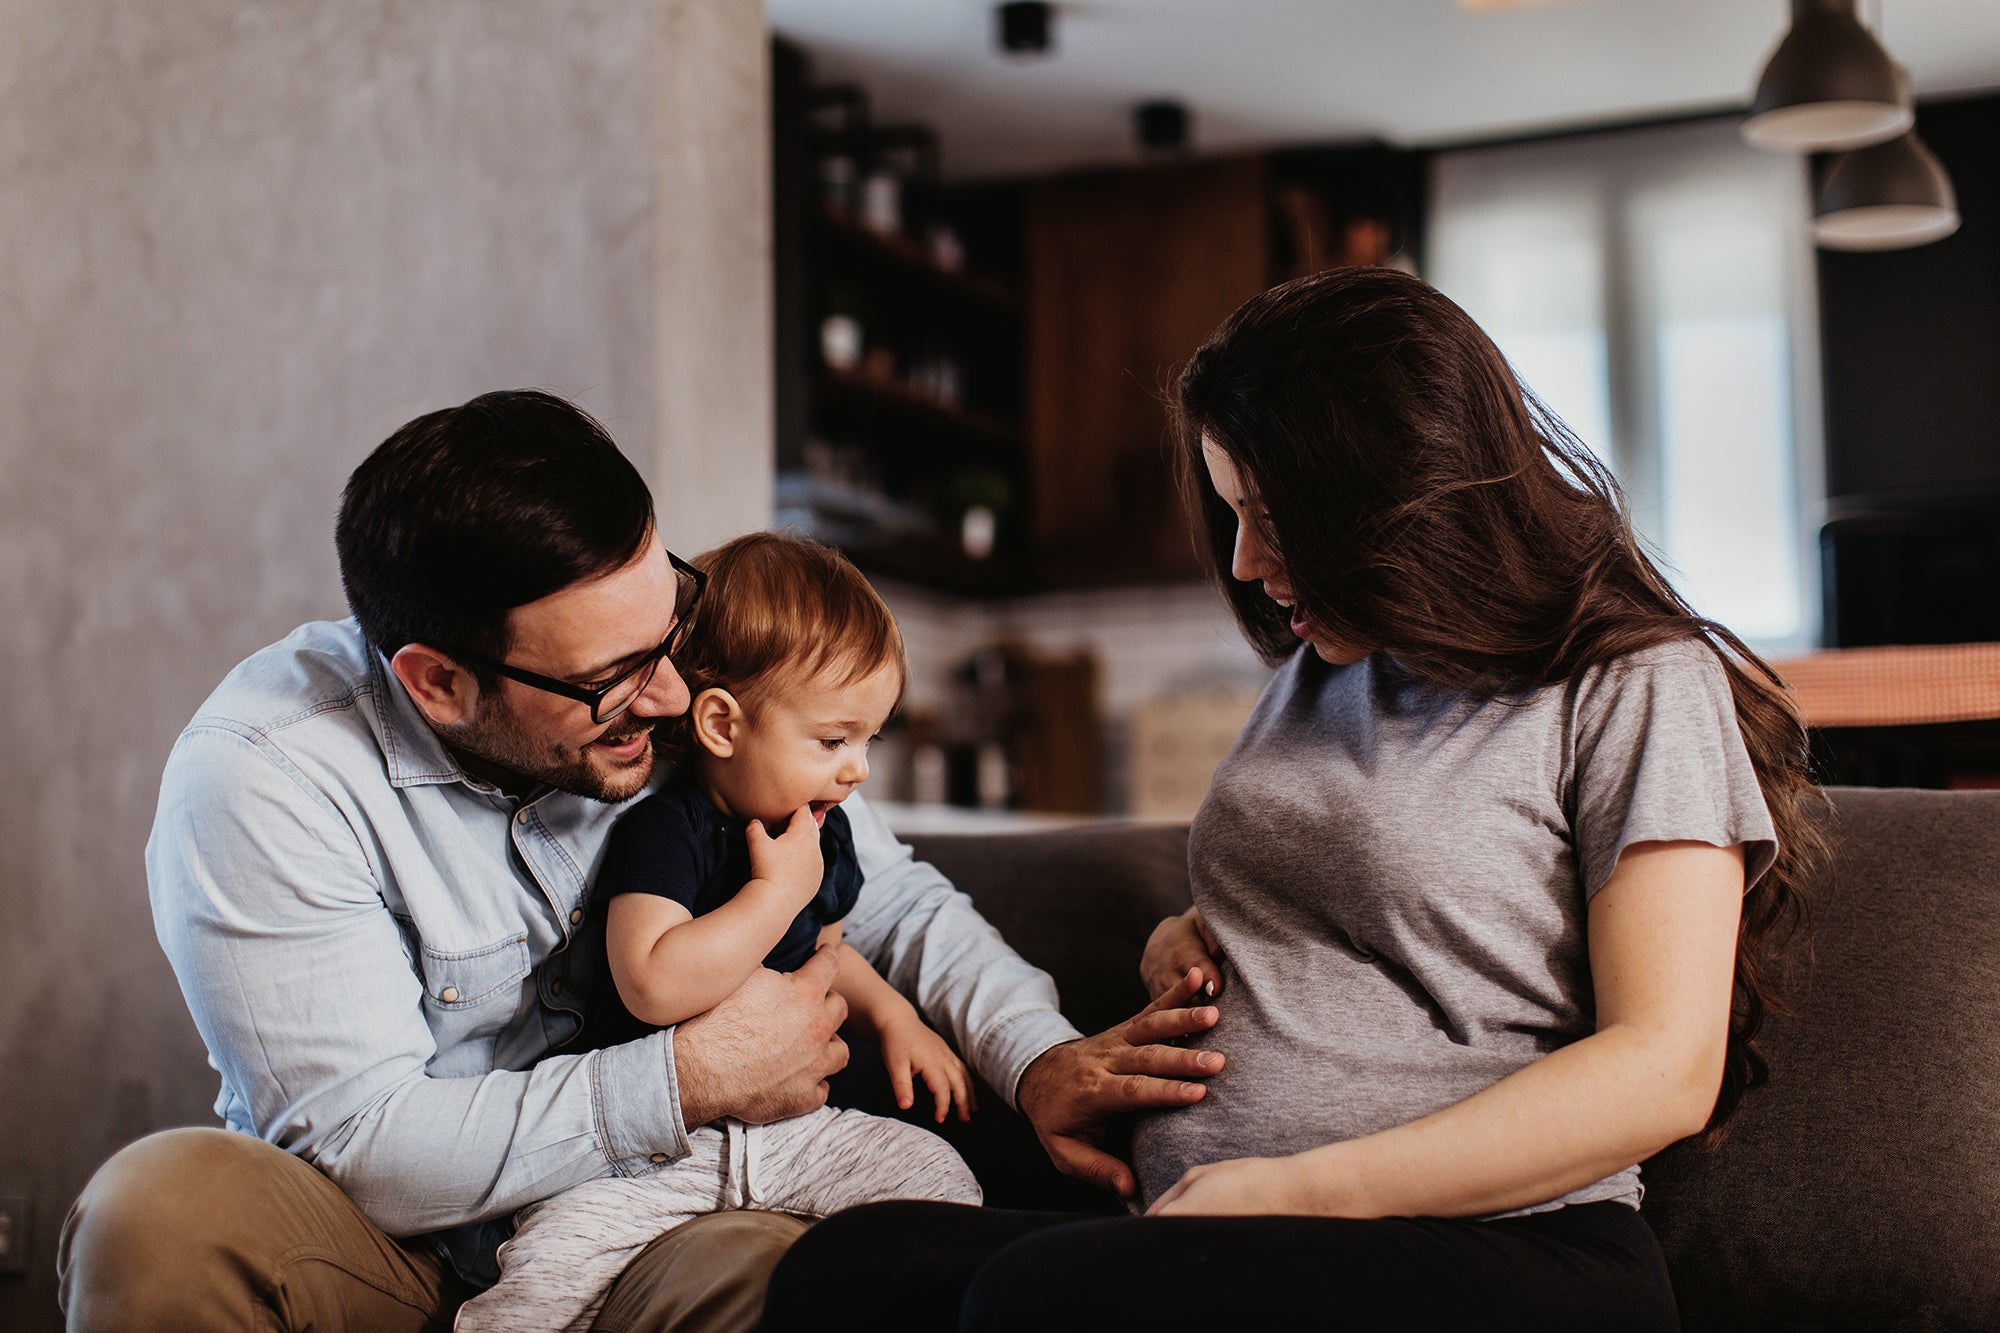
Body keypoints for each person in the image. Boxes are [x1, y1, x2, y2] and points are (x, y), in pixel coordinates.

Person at [762, 266, 1829, 1332]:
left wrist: (1294, 1189)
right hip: (1225, 1227)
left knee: (1038, 1298)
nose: (1246, 560)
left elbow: (1663, 1068)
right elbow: (1356, 911)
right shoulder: (1324, 672)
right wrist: (1187, 937)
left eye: (1274, 518)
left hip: (1506, 1244)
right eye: (1233, 514)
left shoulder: (1635, 680)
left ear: (1401, 493)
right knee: (851, 1267)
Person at [57, 389, 1222, 1333]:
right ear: (437, 680)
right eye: (614, 679)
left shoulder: (673, 691)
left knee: (804, 1269)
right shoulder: (267, 776)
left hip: (647, 1220)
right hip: (391, 1244)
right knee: (158, 1209)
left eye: (669, 624)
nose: (669, 695)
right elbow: (360, 1144)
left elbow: (895, 898)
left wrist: (1035, 1059)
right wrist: (685, 1077)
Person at [455, 531, 981, 1333]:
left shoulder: (821, 833)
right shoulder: (668, 830)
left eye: (871, 739)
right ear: (723, 724)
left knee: (943, 1186)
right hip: (648, 1153)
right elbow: (654, 980)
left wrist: (897, 1017)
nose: (859, 770)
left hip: (794, 1132)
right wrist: (775, 892)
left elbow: (826, 958)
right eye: (834, 740)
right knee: (543, 1282)